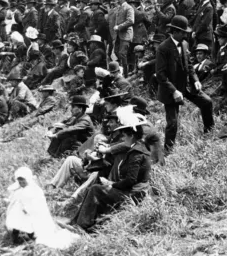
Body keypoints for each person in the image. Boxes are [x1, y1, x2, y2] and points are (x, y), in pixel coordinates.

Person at [72, 112, 152, 232]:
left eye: (124, 135)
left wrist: (111, 184)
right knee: (94, 189)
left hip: (134, 195)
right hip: (133, 191)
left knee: (96, 189)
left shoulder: (136, 153)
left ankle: (81, 226)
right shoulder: (137, 147)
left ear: (130, 135)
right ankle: (78, 222)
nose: (123, 138)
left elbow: (131, 180)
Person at [155, 16, 214, 152]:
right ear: (174, 31)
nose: (184, 34)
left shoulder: (185, 44)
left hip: (186, 85)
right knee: (173, 123)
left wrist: (195, 79)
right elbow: (160, 75)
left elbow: (189, 65)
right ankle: (168, 150)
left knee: (207, 102)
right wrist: (174, 91)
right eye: (182, 32)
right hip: (170, 89)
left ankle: (209, 133)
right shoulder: (163, 48)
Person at [6, 166, 80, 248]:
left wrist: (29, 209)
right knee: (16, 224)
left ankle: (32, 237)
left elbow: (38, 203)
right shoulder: (19, 189)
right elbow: (13, 193)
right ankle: (15, 239)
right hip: (20, 212)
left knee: (30, 226)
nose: (21, 184)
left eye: (23, 181)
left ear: (28, 180)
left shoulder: (34, 189)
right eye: (20, 182)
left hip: (30, 211)